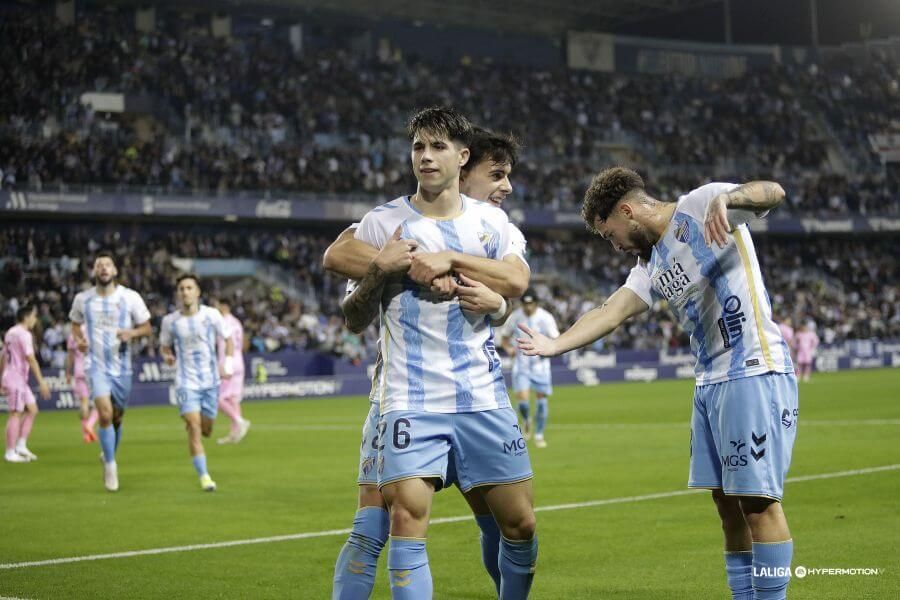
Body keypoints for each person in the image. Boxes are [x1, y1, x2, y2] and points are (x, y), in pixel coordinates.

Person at [518, 167, 797, 600]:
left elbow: (773, 192)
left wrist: (732, 199)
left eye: (611, 234)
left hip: (752, 368)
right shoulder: (649, 263)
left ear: (627, 211)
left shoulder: (702, 203)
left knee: (758, 504)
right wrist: (555, 345)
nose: (613, 246)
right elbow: (610, 311)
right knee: (727, 506)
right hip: (709, 382)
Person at [325, 125, 529, 599]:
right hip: (399, 395)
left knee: (507, 525)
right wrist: (405, 264)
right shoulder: (390, 221)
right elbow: (339, 256)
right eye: (496, 175)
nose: (506, 188)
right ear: (468, 166)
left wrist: (473, 286)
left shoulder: (496, 227)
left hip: (474, 395)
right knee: (378, 524)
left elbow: (510, 291)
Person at [69, 251, 152, 491]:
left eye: (108, 264)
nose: (103, 268)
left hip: (122, 367)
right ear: (94, 271)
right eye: (99, 265)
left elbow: (146, 327)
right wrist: (80, 340)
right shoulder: (82, 299)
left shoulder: (130, 297)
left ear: (115, 271)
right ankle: (111, 467)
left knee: (116, 418)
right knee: (104, 413)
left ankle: (108, 454)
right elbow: (75, 324)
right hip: (96, 365)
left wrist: (132, 333)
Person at [159, 274, 233, 491]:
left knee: (206, 429)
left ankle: (198, 430)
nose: (185, 292)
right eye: (181, 288)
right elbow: (164, 346)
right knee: (193, 425)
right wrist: (167, 356)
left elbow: (228, 339)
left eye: (189, 288)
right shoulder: (170, 321)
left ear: (198, 292)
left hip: (210, 381)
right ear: (178, 293)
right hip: (185, 381)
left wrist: (226, 363)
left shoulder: (211, 315)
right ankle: (204, 477)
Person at [501, 290, 559, 448]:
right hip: (521, 366)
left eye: (531, 304)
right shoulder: (515, 317)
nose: (528, 307)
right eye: (525, 304)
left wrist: (549, 349)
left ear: (536, 303)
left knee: (541, 403)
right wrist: (509, 349)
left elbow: (555, 338)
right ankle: (527, 419)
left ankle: (539, 434)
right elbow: (504, 338)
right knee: (523, 402)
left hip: (541, 367)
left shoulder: (546, 317)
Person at [1, 304, 51, 462]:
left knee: (32, 409)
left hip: (14, 377)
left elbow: (3, 356)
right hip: (16, 378)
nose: (35, 320)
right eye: (34, 316)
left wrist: (1, 377)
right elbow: (31, 358)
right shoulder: (24, 334)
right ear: (27, 317)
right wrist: (41, 382)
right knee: (15, 413)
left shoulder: (10, 332)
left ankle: (21, 445)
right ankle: (10, 452)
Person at [213, 298, 250, 444]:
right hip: (239, 362)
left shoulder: (222, 322)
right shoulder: (237, 322)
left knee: (217, 398)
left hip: (227, 363)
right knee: (232, 398)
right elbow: (243, 342)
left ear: (223, 306)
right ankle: (235, 434)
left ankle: (240, 421)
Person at [67, 329, 97, 443]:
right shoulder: (93, 330)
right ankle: (89, 425)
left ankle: (86, 436)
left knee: (83, 403)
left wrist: (68, 372)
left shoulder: (73, 334)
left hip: (78, 370)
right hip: (92, 370)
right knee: (101, 401)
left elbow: (70, 356)